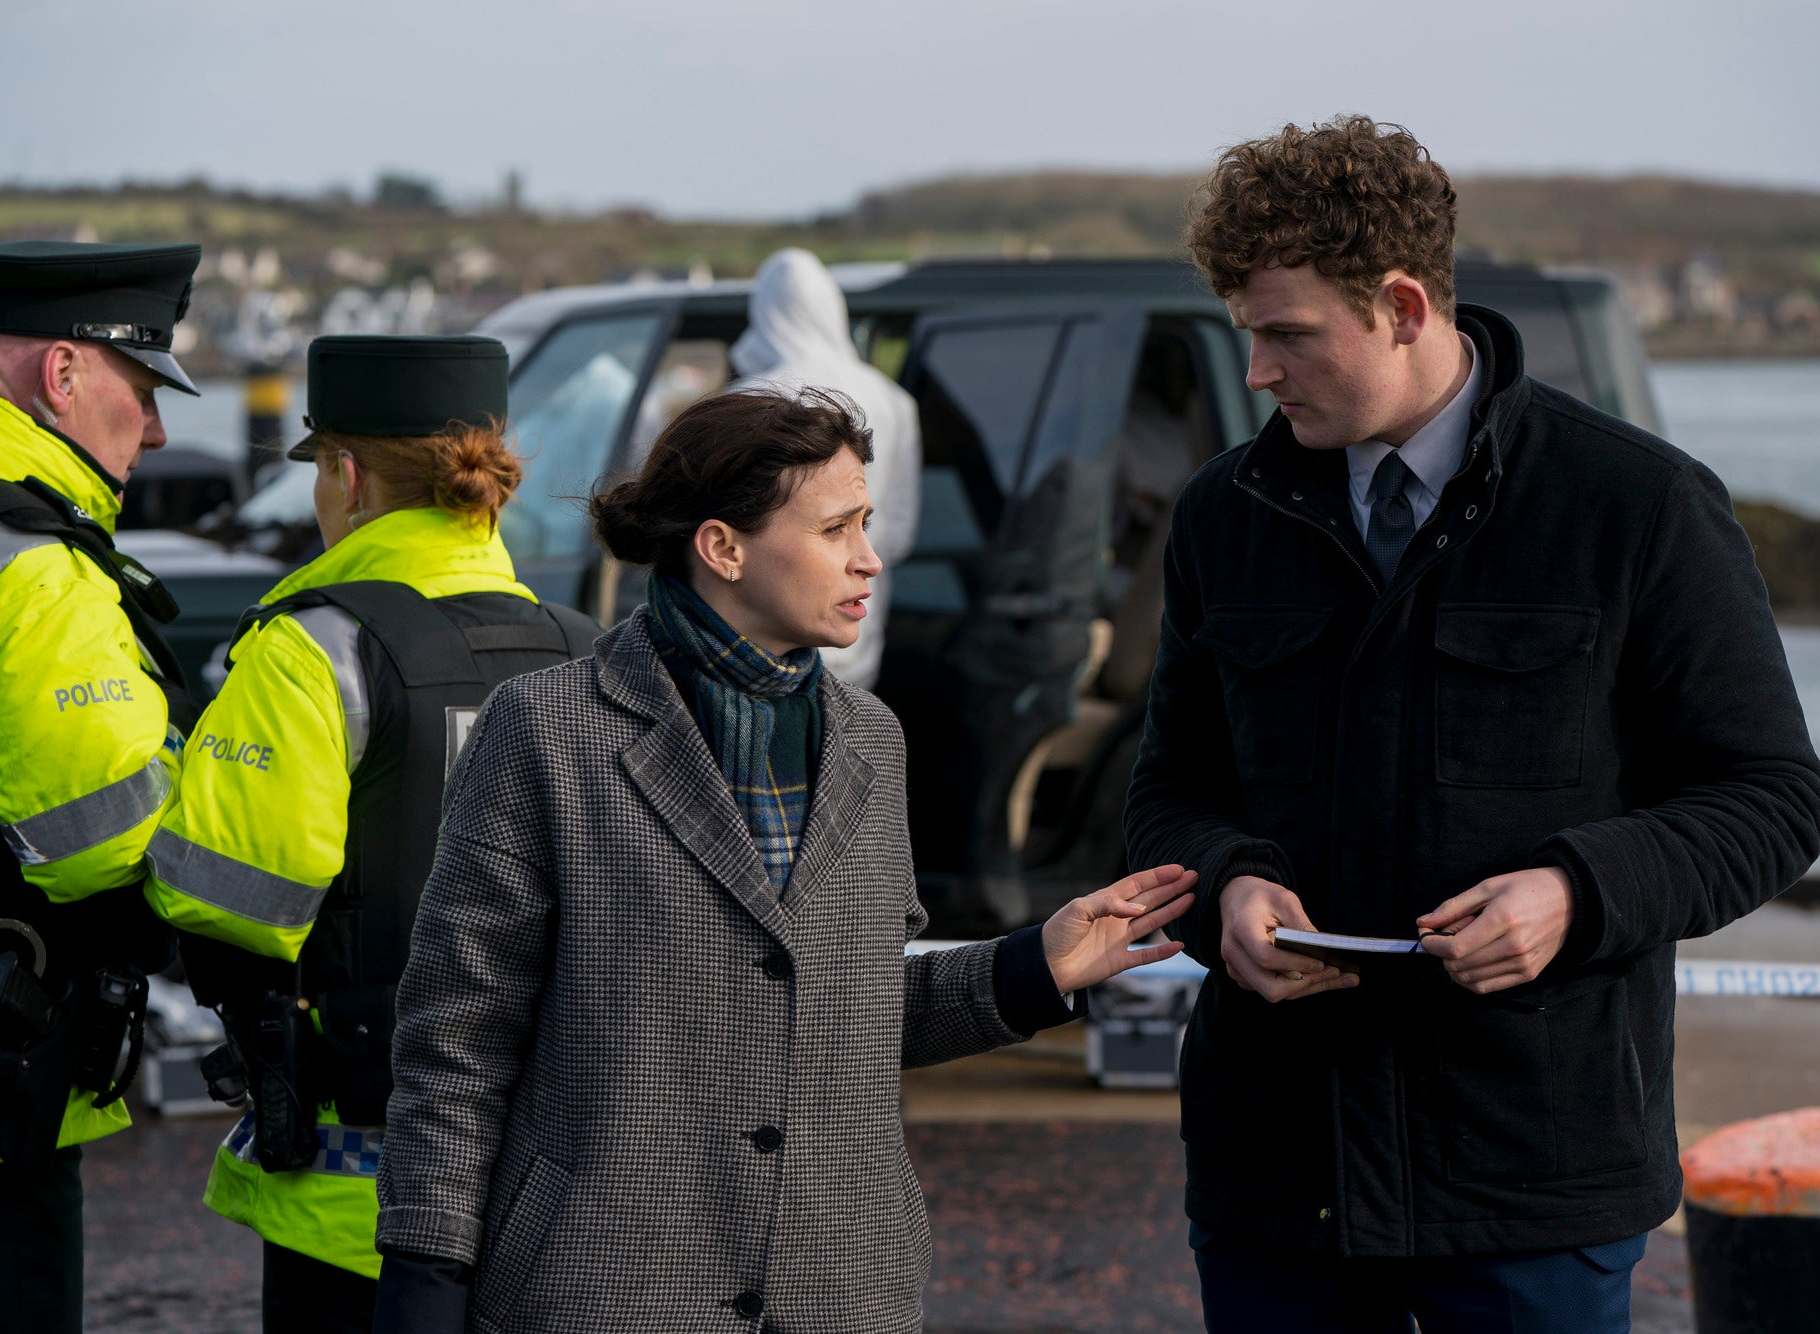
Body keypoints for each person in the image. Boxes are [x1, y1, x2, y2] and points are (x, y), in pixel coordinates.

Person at [1123, 117, 1820, 1333]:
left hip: (1532, 1178)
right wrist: (1224, 889)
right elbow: (1169, 791)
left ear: (1400, 304)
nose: (1256, 374)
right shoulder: (1216, 518)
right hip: (1277, 1175)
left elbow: (1767, 798)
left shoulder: (1637, 504)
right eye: (1250, 334)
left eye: (1286, 334)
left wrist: (1575, 890)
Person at [372, 387, 1194, 1332]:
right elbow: (457, 1039)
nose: (870, 558)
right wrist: (425, 1282)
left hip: (840, 1294)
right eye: (837, 526)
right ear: (723, 548)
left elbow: (841, 1017)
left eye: (868, 524)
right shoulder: (547, 730)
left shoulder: (869, 741)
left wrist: (1028, 970)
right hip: (605, 1291)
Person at [143, 335, 601, 1333]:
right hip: (561, 1185)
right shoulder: (589, 652)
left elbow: (225, 897)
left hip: (364, 1193)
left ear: (345, 476)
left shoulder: (312, 646)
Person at [0, 240, 202, 1333]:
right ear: (64, 374)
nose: (154, 429)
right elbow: (105, 838)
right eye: (143, 388)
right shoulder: (23, 559)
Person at [728, 247, 920, 689]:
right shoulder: (893, 400)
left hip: (764, 636)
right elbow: (902, 530)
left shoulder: (751, 399)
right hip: (859, 628)